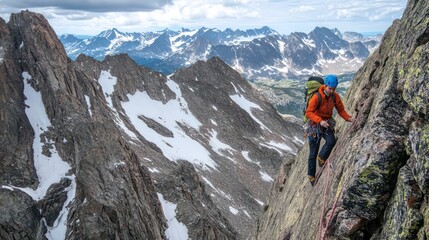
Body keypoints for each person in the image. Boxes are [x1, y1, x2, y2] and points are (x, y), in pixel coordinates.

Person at [305, 74, 353, 186]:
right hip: (314, 125)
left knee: (331, 141)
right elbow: (308, 112)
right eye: (330, 88)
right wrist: (319, 120)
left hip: (326, 123)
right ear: (325, 85)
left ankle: (322, 158)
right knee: (313, 153)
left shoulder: (335, 97)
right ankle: (311, 176)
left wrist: (349, 118)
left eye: (333, 89)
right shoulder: (317, 97)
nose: (331, 91)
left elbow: (341, 110)